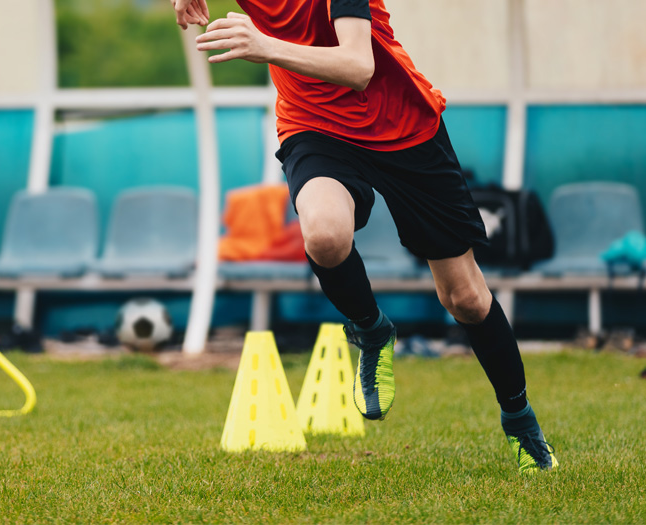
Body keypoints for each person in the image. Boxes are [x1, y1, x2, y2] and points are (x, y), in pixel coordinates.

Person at [174, 0, 558, 473]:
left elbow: (358, 65)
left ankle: (519, 420)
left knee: (465, 298)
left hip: (404, 130)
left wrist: (265, 45)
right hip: (314, 126)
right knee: (324, 234)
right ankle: (373, 331)